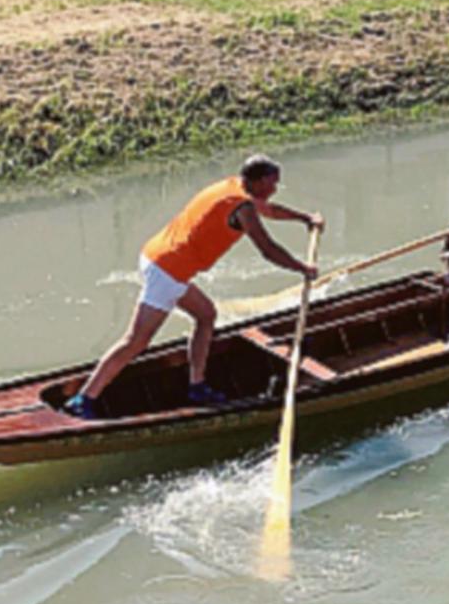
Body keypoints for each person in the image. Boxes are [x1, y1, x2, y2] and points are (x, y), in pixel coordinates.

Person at [63, 155, 322, 418]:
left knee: (206, 315)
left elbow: (269, 210)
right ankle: (84, 399)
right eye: (273, 183)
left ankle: (197, 386)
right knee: (136, 341)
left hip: (158, 256)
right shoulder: (242, 208)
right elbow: (267, 249)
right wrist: (302, 268)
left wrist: (305, 218)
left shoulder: (233, 186)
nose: (275, 189)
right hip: (168, 270)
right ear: (259, 181)